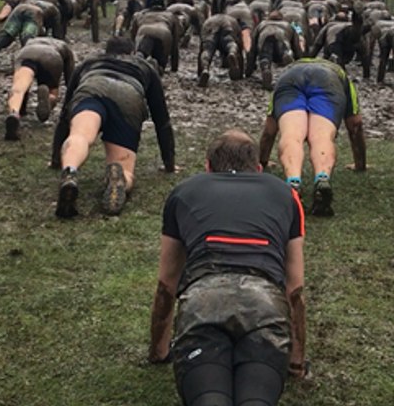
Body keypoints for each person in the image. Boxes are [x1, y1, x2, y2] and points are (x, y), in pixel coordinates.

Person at [148, 130, 307, 405]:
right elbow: (294, 289)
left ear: (208, 167)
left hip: (203, 301)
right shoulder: (286, 195)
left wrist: (159, 350)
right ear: (258, 169)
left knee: (209, 398)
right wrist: (296, 361)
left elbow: (166, 285)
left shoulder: (184, 192)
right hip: (265, 303)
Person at [50, 37, 176, 218]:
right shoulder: (144, 66)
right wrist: (169, 162)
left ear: (106, 51)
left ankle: (70, 171)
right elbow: (161, 118)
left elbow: (64, 116)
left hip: (93, 86)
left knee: (81, 135)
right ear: (132, 53)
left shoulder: (89, 62)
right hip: (128, 94)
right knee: (124, 165)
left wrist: (56, 158)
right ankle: (120, 180)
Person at [257, 59, 366, 217]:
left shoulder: (288, 71)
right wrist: (360, 164)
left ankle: (293, 182)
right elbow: (356, 126)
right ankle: (322, 177)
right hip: (328, 79)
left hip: (290, 78)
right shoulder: (341, 74)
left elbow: (269, 131)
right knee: (321, 136)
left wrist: (262, 162)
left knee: (291, 134)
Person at [3, 37, 74, 141]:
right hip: (51, 57)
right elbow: (71, 80)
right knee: (52, 91)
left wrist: (23, 110)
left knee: (19, 88)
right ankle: (49, 100)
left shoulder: (30, 41)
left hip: (27, 54)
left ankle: (14, 113)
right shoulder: (64, 46)